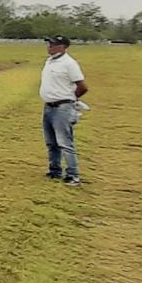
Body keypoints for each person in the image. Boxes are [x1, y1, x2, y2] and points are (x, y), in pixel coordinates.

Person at [40, 35, 88, 187]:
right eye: (49, 44)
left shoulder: (69, 63)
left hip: (62, 107)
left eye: (53, 44)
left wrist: (70, 99)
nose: (50, 47)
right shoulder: (49, 61)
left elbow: (82, 86)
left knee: (65, 142)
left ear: (63, 47)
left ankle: (73, 175)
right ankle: (55, 170)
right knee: (51, 142)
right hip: (49, 106)